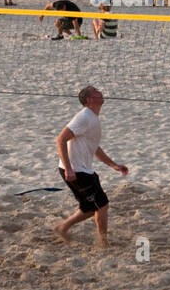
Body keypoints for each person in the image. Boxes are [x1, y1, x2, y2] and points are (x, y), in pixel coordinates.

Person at [53, 86, 128, 247]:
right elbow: (60, 140)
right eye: (95, 91)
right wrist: (68, 169)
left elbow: (94, 148)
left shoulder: (92, 118)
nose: (100, 92)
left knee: (92, 206)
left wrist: (114, 165)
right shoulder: (84, 117)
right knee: (101, 205)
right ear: (89, 100)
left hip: (83, 170)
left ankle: (63, 227)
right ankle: (103, 242)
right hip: (75, 170)